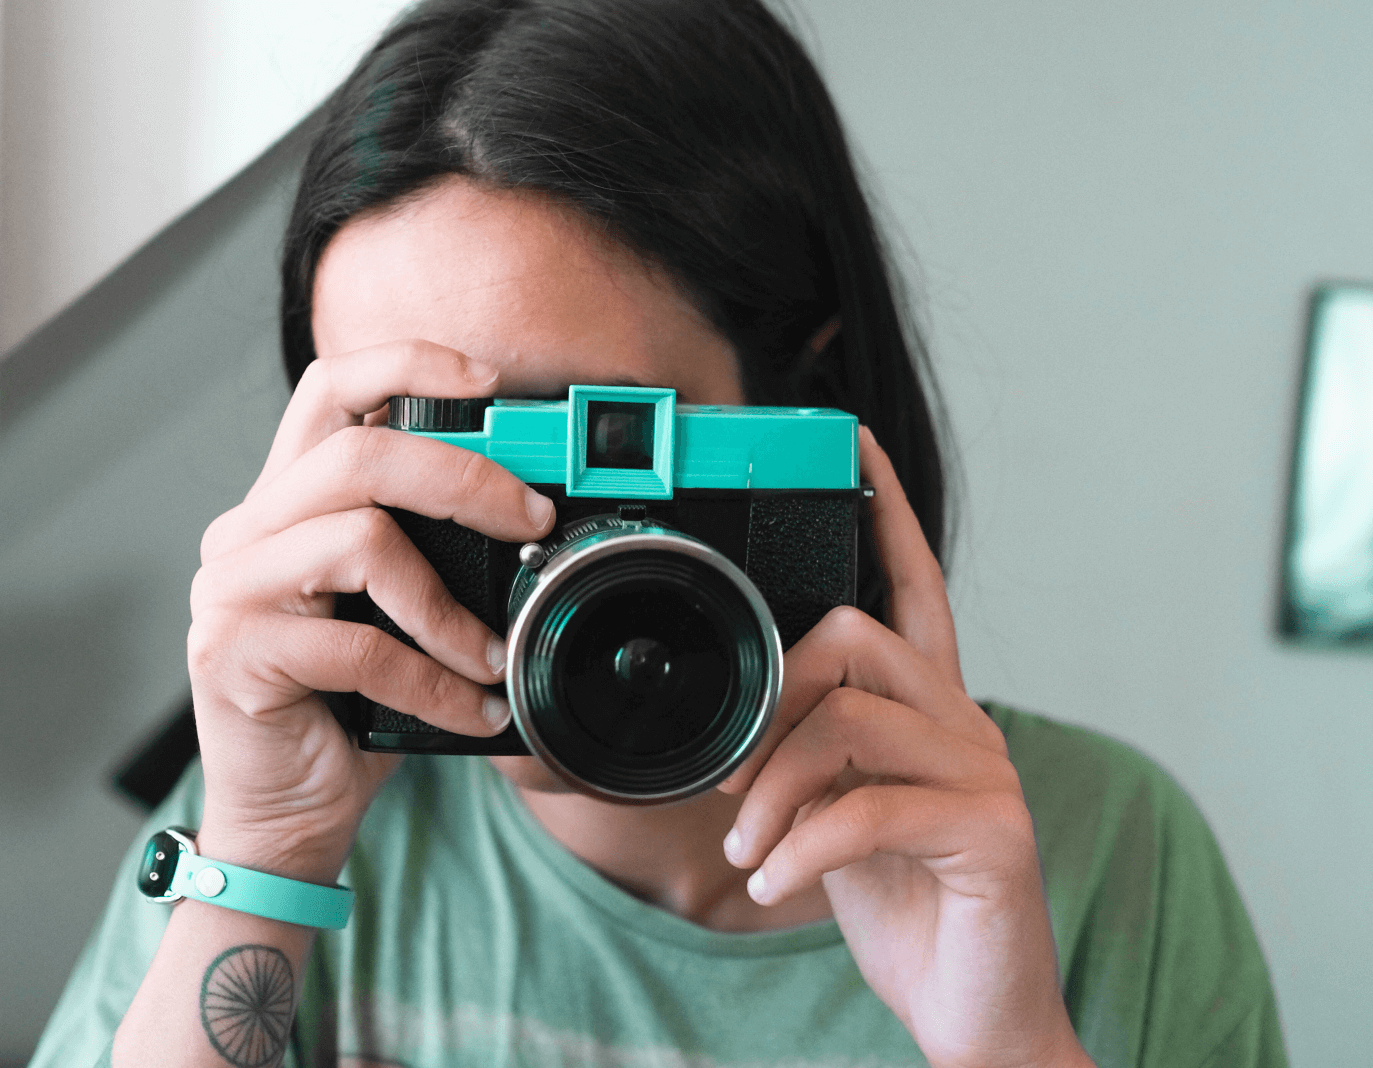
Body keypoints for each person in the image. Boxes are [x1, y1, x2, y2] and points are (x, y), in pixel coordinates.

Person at [31, 1, 1288, 1066]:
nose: (512, 525)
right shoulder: (277, 821)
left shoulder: (1102, 857)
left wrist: (1001, 1041)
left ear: (803, 397)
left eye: (585, 434)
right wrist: (264, 862)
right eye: (418, 440)